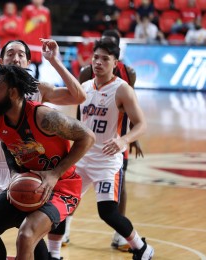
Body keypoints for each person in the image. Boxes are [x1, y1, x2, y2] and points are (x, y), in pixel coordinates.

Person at [0, 11, 87, 260]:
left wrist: (56, 62)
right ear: (1, 60)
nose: (16, 58)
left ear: (28, 62)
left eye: (21, 54)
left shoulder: (39, 92)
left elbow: (78, 97)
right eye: (10, 53)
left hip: (27, 171)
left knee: (27, 235)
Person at [0, 62, 95, 260]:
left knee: (26, 235)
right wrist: (14, 172)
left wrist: (55, 174)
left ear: (13, 93)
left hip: (62, 188)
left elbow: (88, 137)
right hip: (29, 183)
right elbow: (7, 145)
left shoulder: (43, 117)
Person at [63, 29, 144, 253]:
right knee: (67, 193)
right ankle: (63, 232)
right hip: (88, 142)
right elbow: (81, 109)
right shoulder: (86, 74)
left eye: (106, 54)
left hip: (115, 139)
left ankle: (122, 236)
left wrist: (129, 139)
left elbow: (133, 111)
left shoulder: (128, 74)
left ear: (116, 56)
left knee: (118, 191)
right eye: (97, 55)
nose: (99, 61)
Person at [77, 38, 154, 259]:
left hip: (107, 160)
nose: (98, 62)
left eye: (105, 59)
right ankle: (54, 253)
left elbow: (142, 124)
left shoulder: (122, 89)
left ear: (115, 63)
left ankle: (141, 248)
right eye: (95, 57)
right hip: (82, 158)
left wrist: (124, 140)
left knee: (108, 213)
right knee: (61, 204)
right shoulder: (84, 87)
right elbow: (78, 121)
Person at [21, 0, 51, 79]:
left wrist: (47, 41)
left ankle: (36, 82)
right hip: (28, 41)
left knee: (38, 64)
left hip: (39, 42)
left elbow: (47, 29)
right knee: (26, 60)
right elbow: (23, 26)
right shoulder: (27, 9)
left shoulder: (46, 11)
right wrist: (36, 20)